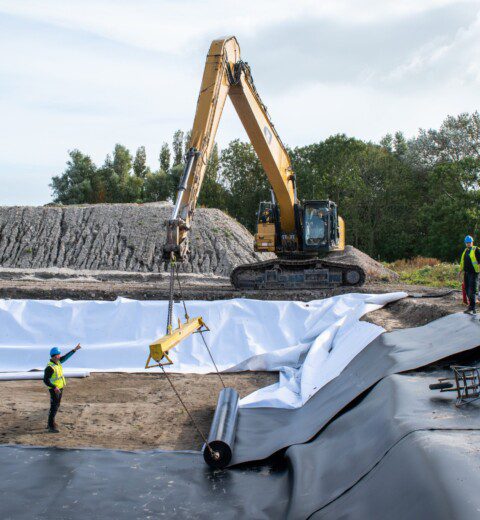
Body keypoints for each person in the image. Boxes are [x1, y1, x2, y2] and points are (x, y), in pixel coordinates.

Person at [43, 344, 81, 433]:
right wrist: (54, 387)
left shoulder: (58, 362)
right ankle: (51, 426)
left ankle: (50, 423)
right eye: (59, 355)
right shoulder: (50, 368)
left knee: (56, 405)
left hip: (59, 388)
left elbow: (66, 357)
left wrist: (74, 350)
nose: (60, 356)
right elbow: (45, 380)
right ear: (55, 356)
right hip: (54, 389)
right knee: (54, 407)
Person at [459, 235, 480, 315]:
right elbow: (462, 262)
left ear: (472, 242)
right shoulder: (465, 251)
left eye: (469, 242)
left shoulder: (476, 249)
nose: (468, 244)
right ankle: (471, 307)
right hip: (467, 273)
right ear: (465, 243)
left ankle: (473, 308)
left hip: (474, 273)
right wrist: (460, 271)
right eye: (467, 243)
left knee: (472, 290)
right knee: (467, 289)